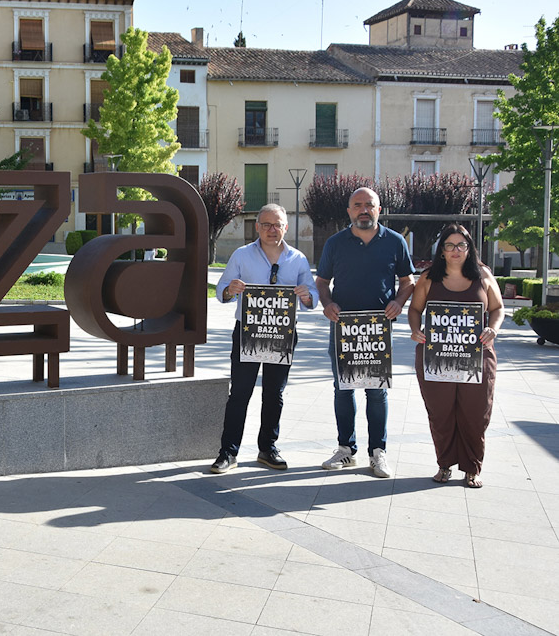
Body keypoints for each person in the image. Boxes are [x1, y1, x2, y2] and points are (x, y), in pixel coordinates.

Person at [210, 204, 318, 474]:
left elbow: (312, 297)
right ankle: (228, 452)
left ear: (286, 227)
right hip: (247, 332)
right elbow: (221, 290)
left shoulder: (298, 259)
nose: (272, 230)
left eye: (277, 224)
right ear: (257, 227)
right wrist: (230, 290)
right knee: (240, 393)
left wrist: (307, 296)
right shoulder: (242, 255)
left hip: (282, 334)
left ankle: (268, 448)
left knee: (274, 394)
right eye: (266, 224)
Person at [316, 187, 415, 478]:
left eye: (369, 205)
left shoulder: (395, 241)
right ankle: (346, 449)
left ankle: (378, 452)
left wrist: (399, 302)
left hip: (378, 330)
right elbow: (321, 281)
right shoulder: (335, 243)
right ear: (349, 211)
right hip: (343, 328)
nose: (363, 210)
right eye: (357, 205)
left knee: (377, 391)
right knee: (343, 388)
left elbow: (408, 281)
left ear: (379, 209)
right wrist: (327, 303)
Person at [408, 224, 502, 488]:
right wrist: (415, 330)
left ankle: (472, 468)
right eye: (449, 245)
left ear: (469, 248)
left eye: (461, 245)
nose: (456, 250)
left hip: (478, 357)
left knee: (476, 414)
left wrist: (493, 329)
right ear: (442, 251)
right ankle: (444, 464)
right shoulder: (429, 277)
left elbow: (497, 308)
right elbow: (415, 309)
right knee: (441, 414)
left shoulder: (483, 275)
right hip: (436, 357)